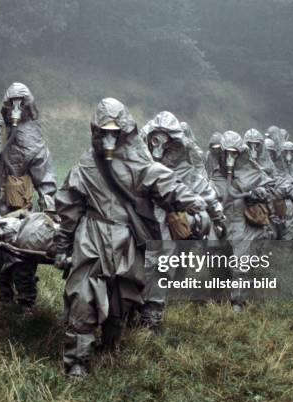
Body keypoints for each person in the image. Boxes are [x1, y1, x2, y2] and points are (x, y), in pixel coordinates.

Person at [51, 98, 208, 377]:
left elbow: (165, 182)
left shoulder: (138, 162)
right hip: (93, 237)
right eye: (104, 132)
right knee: (83, 298)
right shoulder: (87, 164)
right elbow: (69, 205)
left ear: (124, 131)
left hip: (126, 238)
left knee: (122, 297)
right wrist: (62, 246)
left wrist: (192, 202)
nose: (110, 138)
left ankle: (110, 345)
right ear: (96, 132)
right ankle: (77, 362)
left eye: (115, 131)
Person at [0, 82, 57, 314]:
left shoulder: (34, 139)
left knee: (22, 259)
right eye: (12, 104)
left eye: (22, 104)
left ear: (29, 107)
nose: (17, 110)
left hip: (20, 211)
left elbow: (45, 176)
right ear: (5, 106)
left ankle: (26, 304)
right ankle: (4, 296)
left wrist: (50, 211)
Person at [138, 111, 225, 329]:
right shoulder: (136, 159)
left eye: (166, 141)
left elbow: (204, 190)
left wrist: (218, 216)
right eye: (156, 139)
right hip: (137, 222)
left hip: (165, 225)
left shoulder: (183, 168)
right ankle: (130, 311)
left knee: (161, 266)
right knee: (134, 265)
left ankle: (152, 314)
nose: (159, 145)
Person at [209, 131, 276, 312]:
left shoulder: (250, 170)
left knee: (241, 263)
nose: (231, 157)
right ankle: (217, 294)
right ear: (221, 152)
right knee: (216, 260)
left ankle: (238, 301)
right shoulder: (216, 173)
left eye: (234, 153)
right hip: (221, 222)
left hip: (242, 223)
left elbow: (269, 185)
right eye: (227, 152)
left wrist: (258, 193)